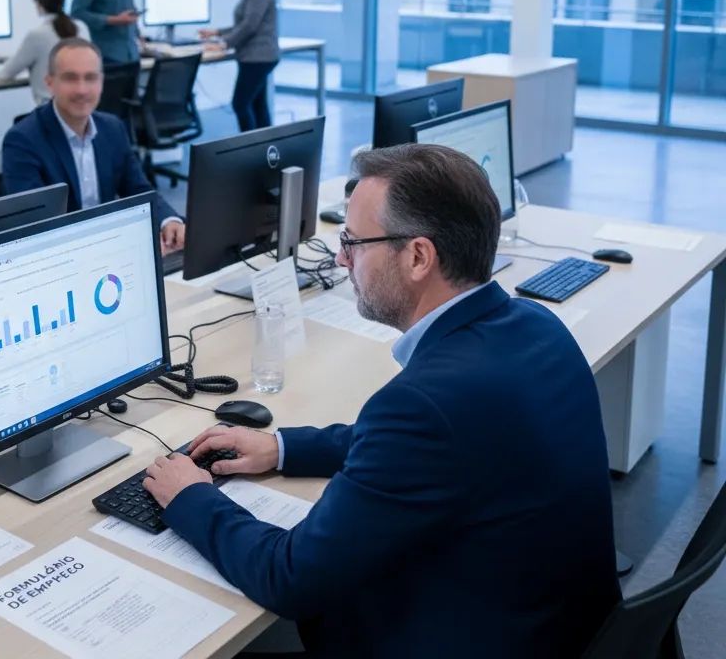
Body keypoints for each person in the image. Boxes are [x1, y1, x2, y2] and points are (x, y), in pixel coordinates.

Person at [143, 143, 620, 659]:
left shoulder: (423, 405)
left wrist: (191, 496)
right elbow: (427, 445)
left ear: (418, 256)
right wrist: (281, 447)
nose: (342, 258)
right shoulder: (536, 325)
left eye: (354, 242)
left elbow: (290, 579)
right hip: (562, 626)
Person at [1, 38, 185, 255]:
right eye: (70, 78)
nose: (82, 89)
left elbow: (138, 189)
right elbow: (34, 226)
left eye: (90, 78)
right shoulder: (22, 140)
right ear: (50, 83)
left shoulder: (113, 128)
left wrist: (168, 220)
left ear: (101, 82)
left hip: (109, 252)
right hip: (59, 258)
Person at [200, 0, 279, 131]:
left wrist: (224, 44)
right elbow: (246, 23)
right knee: (258, 106)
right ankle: (264, 152)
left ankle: (250, 151)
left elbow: (250, 25)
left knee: (241, 104)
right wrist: (218, 32)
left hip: (258, 57)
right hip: (258, 56)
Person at [0, 0, 90, 105]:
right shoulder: (82, 28)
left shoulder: (37, 35)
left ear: (39, 4)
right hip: (82, 105)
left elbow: (7, 73)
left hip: (50, 109)